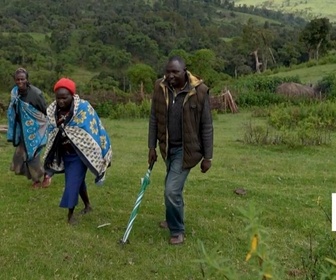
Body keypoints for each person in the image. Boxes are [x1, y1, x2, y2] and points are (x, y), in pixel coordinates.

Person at [148, 56, 214, 245]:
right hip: (167, 148)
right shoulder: (160, 87)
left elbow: (207, 125)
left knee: (171, 190)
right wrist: (151, 146)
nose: (170, 76)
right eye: (168, 71)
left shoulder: (199, 91)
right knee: (172, 187)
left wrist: (208, 157)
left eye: (175, 72)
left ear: (185, 71)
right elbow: (154, 117)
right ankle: (171, 220)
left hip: (187, 150)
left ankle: (177, 230)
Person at [43, 78, 112, 224]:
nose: (61, 101)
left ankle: (70, 215)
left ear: (72, 96)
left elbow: (94, 127)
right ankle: (87, 205)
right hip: (65, 153)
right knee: (78, 181)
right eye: (58, 97)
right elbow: (51, 131)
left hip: (80, 153)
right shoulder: (52, 110)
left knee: (72, 182)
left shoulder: (83, 108)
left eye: (64, 97)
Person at [7, 68, 52, 189]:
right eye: (17, 79)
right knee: (20, 156)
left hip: (36, 129)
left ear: (27, 79)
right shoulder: (15, 93)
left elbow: (44, 112)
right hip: (22, 130)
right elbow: (13, 110)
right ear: (15, 80)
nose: (20, 81)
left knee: (32, 155)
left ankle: (45, 176)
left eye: (22, 79)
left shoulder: (35, 94)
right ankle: (36, 178)